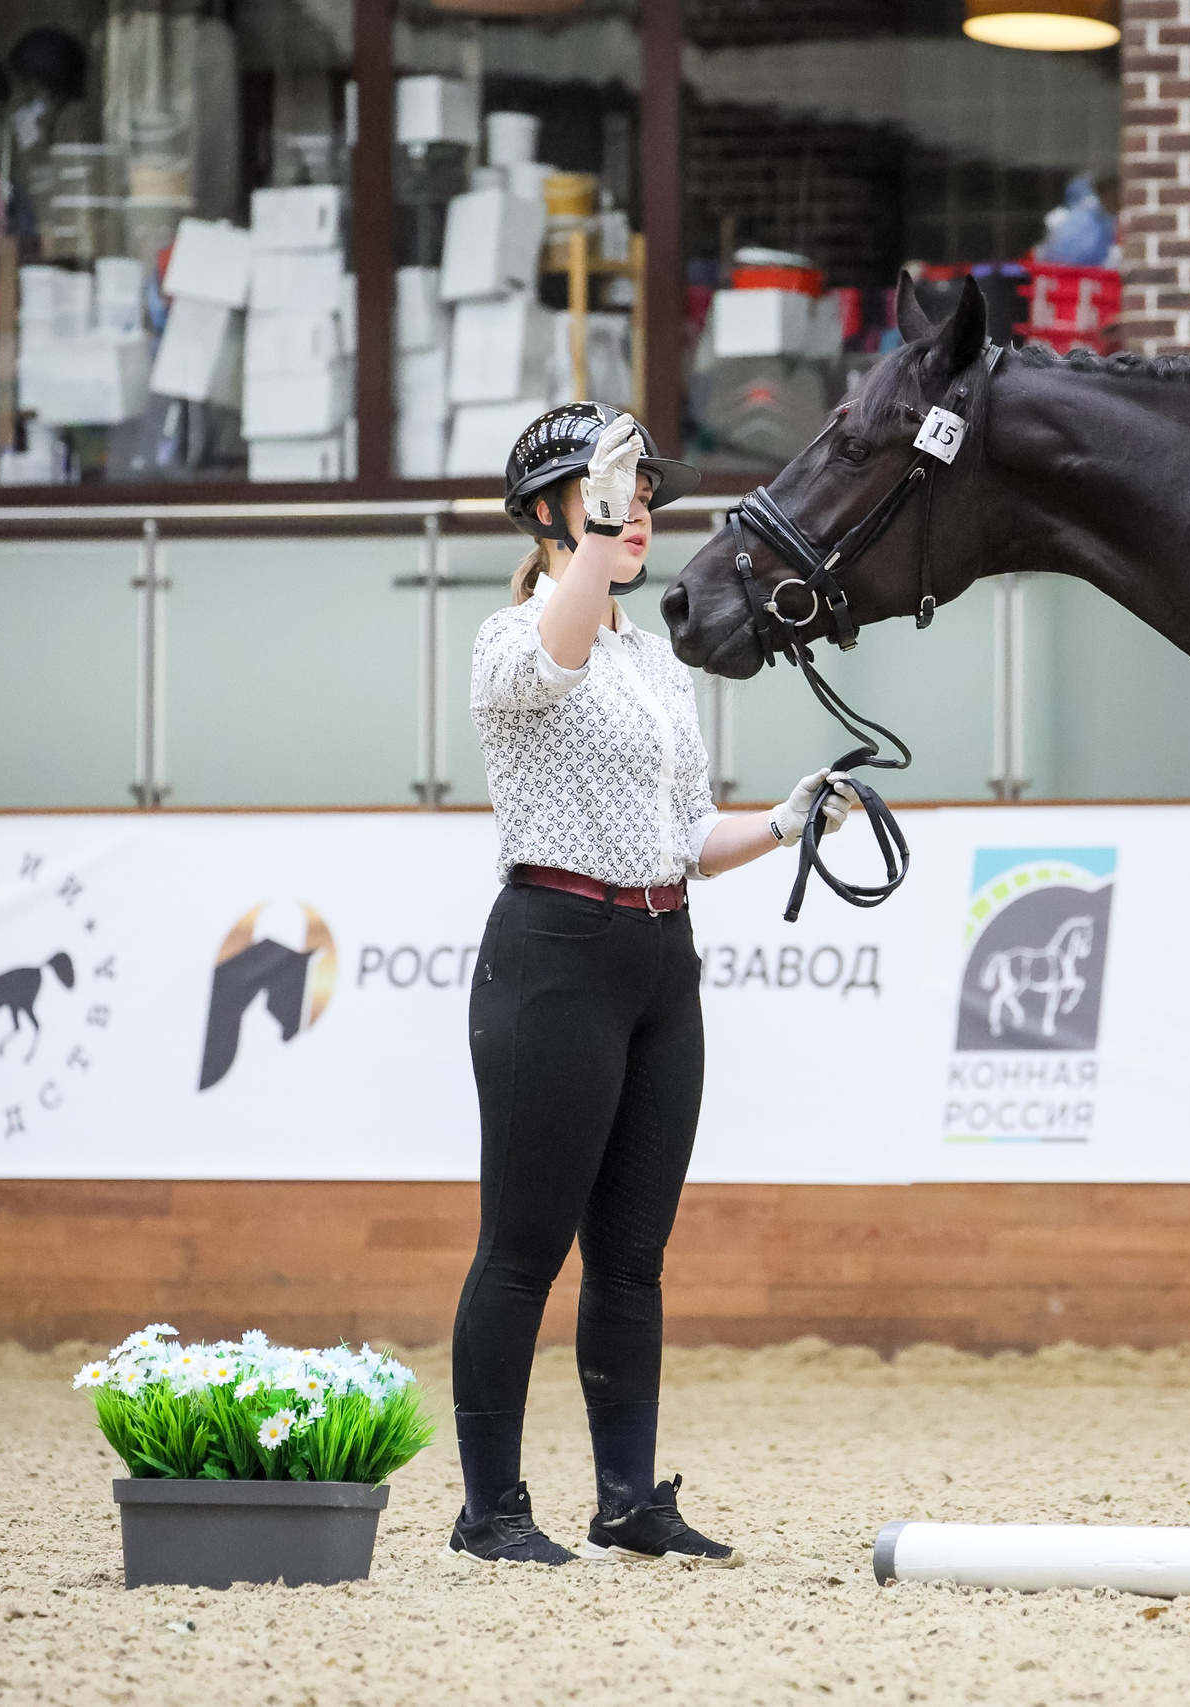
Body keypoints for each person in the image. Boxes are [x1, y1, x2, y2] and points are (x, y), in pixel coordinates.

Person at [449, 403, 854, 1567]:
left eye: (641, 498)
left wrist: (781, 823)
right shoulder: (511, 639)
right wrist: (596, 532)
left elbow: (683, 834)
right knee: (522, 1247)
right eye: (607, 496)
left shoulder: (651, 663)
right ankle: (489, 1509)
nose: (637, 518)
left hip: (656, 962)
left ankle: (629, 1498)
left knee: (631, 1255)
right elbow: (556, 651)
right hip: (553, 953)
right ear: (549, 514)